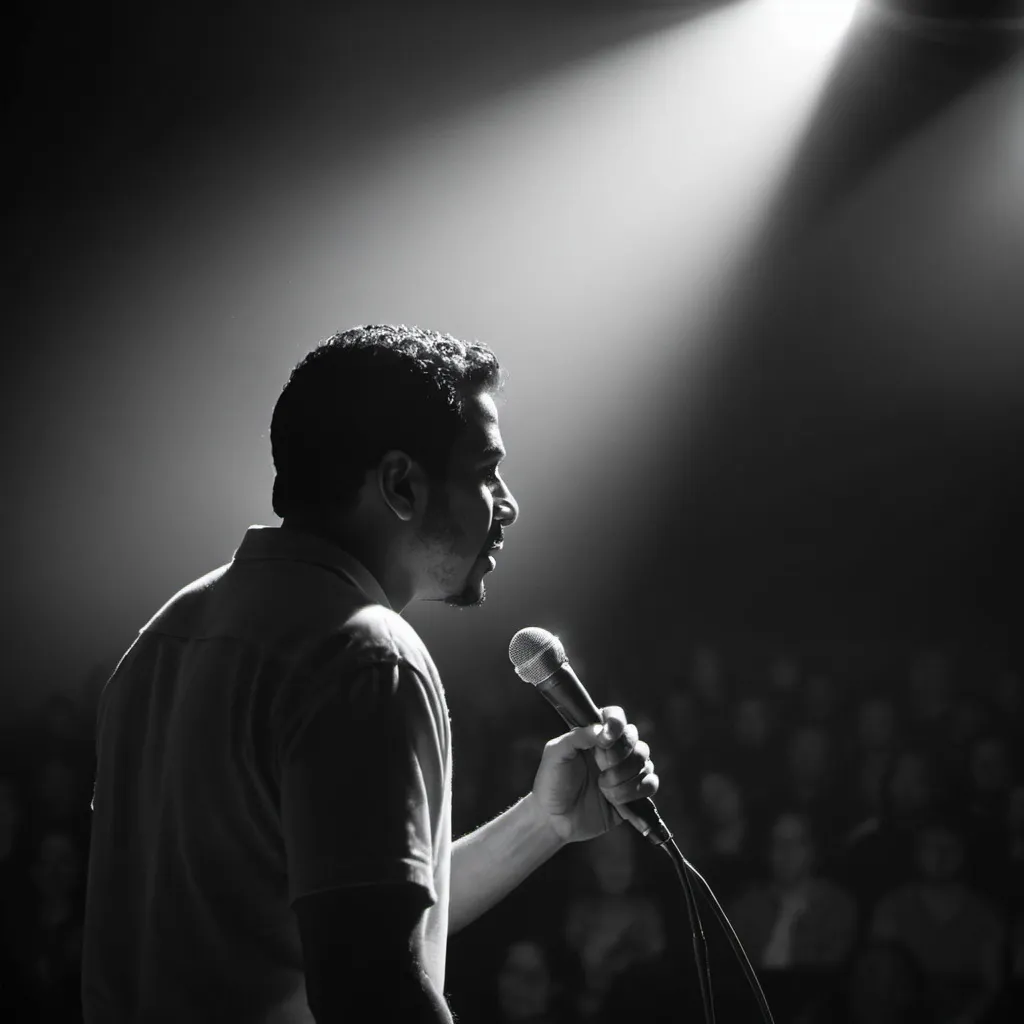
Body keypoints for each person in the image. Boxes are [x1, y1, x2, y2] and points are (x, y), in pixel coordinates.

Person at [81, 325, 659, 1023]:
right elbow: (372, 988)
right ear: (400, 484)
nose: (507, 504)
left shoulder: (163, 640)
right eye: (484, 470)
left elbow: (348, 904)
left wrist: (545, 821)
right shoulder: (366, 656)